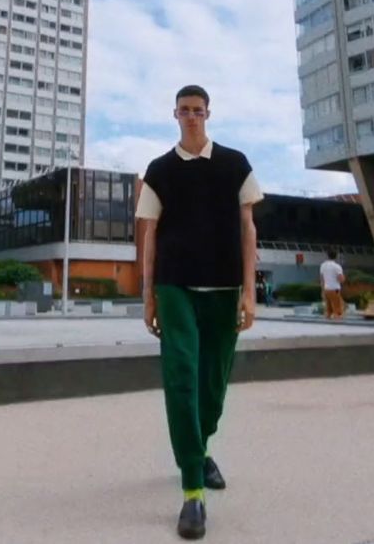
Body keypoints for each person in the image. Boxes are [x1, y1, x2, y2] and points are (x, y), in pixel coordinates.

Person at [137, 84, 263, 540]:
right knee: (181, 375)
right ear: (174, 115)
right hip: (175, 287)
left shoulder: (235, 165)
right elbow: (150, 235)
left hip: (225, 287)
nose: (191, 117)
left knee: (213, 384)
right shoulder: (159, 170)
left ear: (209, 113)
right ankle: (193, 489)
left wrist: (250, 292)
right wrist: (147, 294)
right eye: (184, 110)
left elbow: (248, 231)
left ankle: (199, 448)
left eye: (198, 110)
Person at [319, 249, 346, 319]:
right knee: (338, 310)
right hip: (335, 289)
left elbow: (322, 279)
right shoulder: (337, 266)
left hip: (326, 289)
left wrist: (322, 290)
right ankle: (337, 325)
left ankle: (327, 327)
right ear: (336, 256)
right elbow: (341, 279)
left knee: (328, 310)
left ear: (327, 256)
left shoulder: (323, 265)